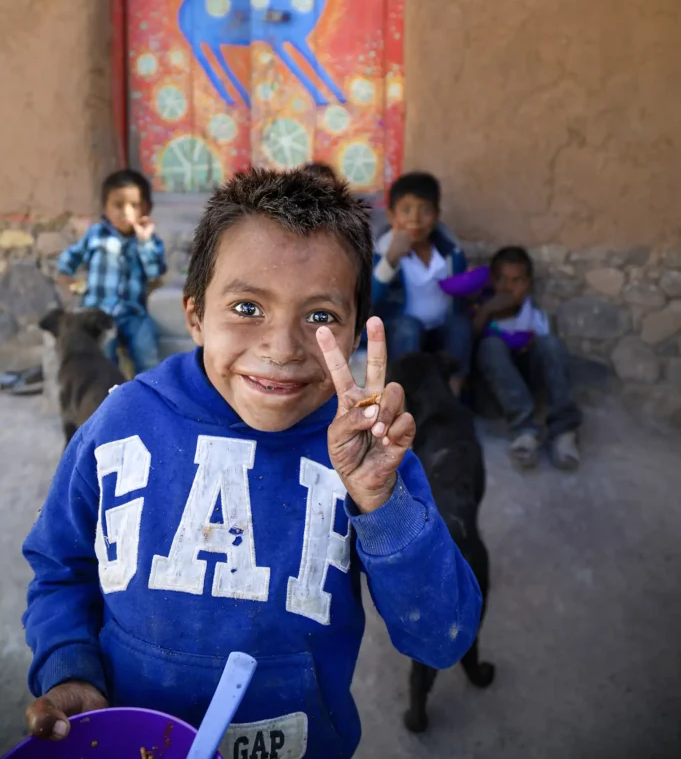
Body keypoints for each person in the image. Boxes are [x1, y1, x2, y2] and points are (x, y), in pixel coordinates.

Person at [23, 168, 481, 755]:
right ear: (195, 316)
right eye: (247, 306)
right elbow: (60, 568)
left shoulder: (368, 455)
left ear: (353, 336)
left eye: (321, 316)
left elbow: (441, 639)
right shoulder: (121, 424)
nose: (282, 349)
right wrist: (68, 666)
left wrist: (380, 503)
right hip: (127, 739)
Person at [473, 246, 582, 470]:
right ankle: (525, 431)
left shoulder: (534, 317)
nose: (508, 287)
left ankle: (563, 431)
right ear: (492, 281)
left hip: (528, 387)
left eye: (517, 281)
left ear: (529, 285)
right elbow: (468, 347)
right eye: (501, 279)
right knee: (491, 346)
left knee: (551, 344)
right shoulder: (479, 309)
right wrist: (485, 311)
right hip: (492, 396)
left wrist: (529, 347)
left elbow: (549, 363)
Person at [55, 169, 166, 374]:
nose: (125, 212)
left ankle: (150, 389)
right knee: (103, 354)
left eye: (134, 205)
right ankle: (108, 391)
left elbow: (155, 273)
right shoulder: (96, 235)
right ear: (105, 208)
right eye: (118, 205)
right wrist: (65, 276)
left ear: (146, 208)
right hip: (98, 311)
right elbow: (71, 256)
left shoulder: (150, 241)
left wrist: (144, 242)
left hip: (132, 312)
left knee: (146, 349)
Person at [371, 172, 472, 392]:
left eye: (425, 210)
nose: (415, 219)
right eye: (406, 210)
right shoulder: (382, 251)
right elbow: (369, 300)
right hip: (400, 332)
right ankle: (407, 399)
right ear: (391, 215)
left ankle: (452, 396)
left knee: (459, 326)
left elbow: (460, 295)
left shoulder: (450, 252)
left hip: (439, 328)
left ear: (436, 215)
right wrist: (391, 259)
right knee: (408, 327)